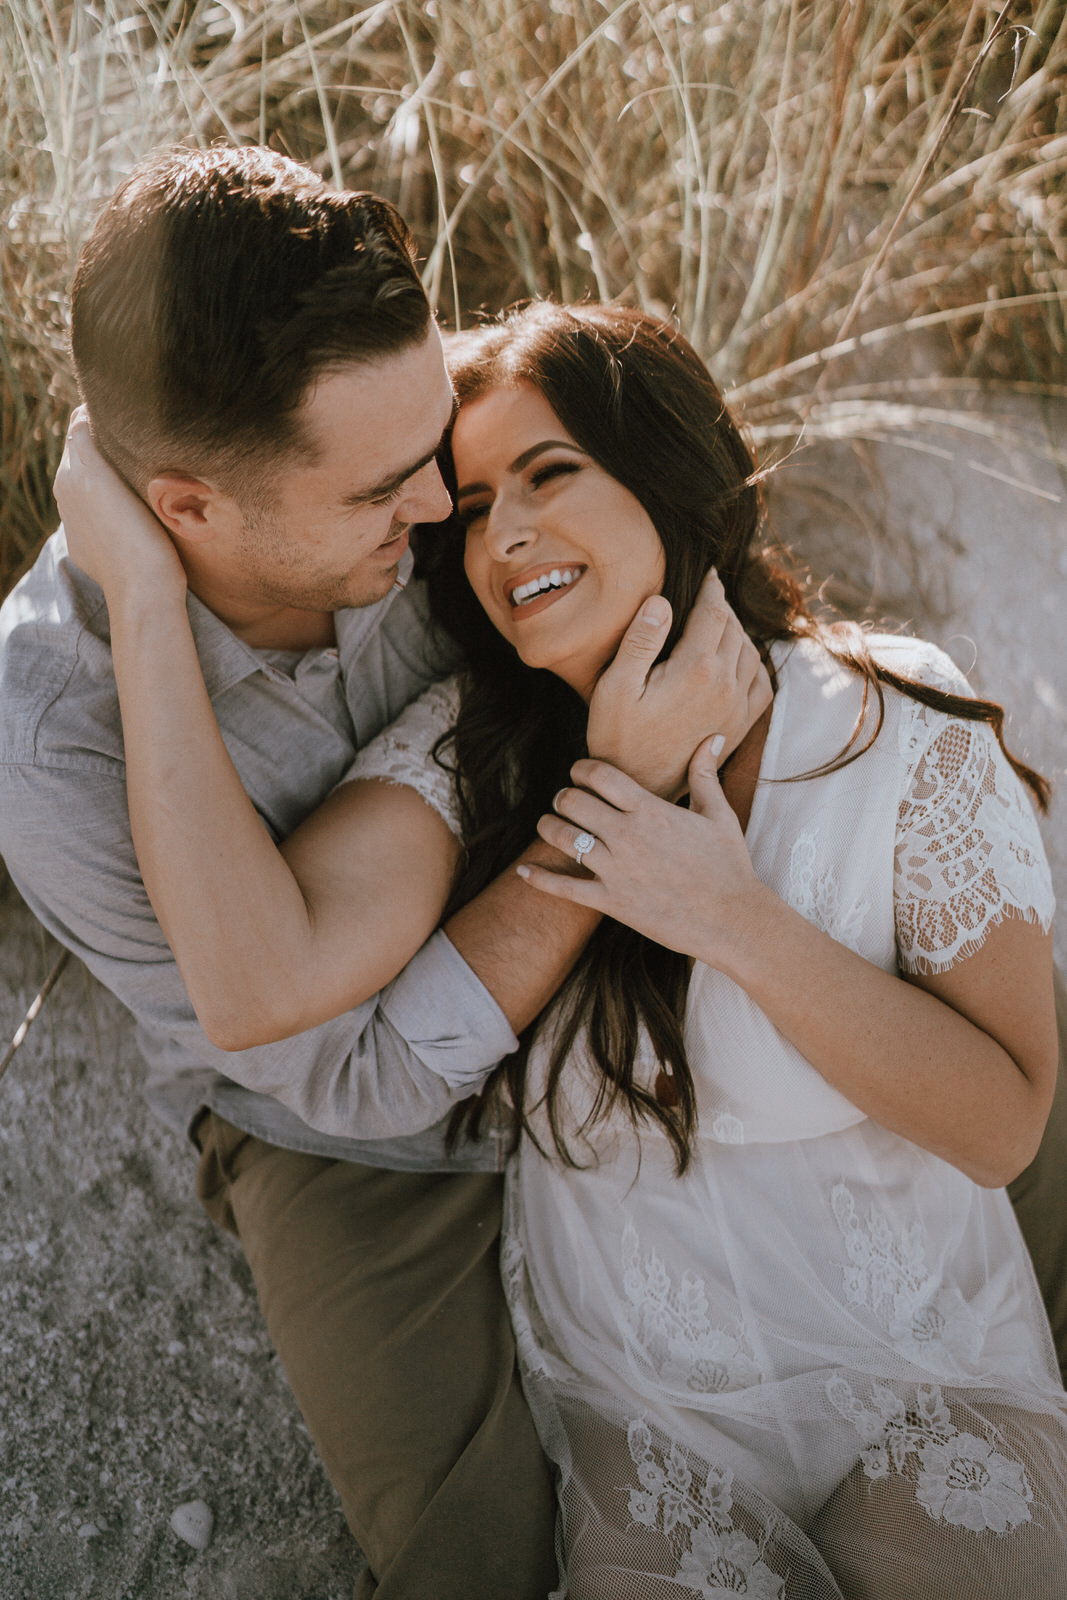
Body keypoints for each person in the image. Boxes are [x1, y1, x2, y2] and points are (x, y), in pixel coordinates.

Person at [54, 300, 1067, 1597]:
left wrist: (733, 919)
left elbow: (1004, 1127)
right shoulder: (472, 752)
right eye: (473, 506)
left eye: (549, 473)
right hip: (650, 1421)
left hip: (917, 1369)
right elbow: (266, 974)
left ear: (666, 472)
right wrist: (143, 599)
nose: (506, 532)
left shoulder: (887, 736)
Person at [0, 149, 771, 1599]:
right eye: (383, 492)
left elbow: (663, 527)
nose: (444, 502)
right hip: (348, 1142)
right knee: (485, 1559)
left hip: (620, 903)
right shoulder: (45, 750)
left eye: (440, 448)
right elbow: (350, 1074)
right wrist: (154, 622)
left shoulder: (416, 432)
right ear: (183, 510)